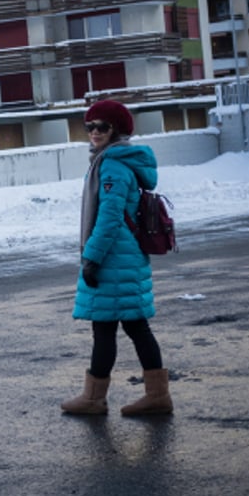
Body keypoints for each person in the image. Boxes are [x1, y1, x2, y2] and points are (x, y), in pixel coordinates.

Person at [61, 99, 173, 416]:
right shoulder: (111, 162)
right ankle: (156, 394)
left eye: (102, 127)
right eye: (90, 126)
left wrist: (91, 258)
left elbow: (109, 218)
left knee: (109, 328)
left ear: (117, 130)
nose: (94, 133)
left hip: (113, 258)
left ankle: (95, 398)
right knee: (132, 326)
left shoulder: (111, 165)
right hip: (123, 256)